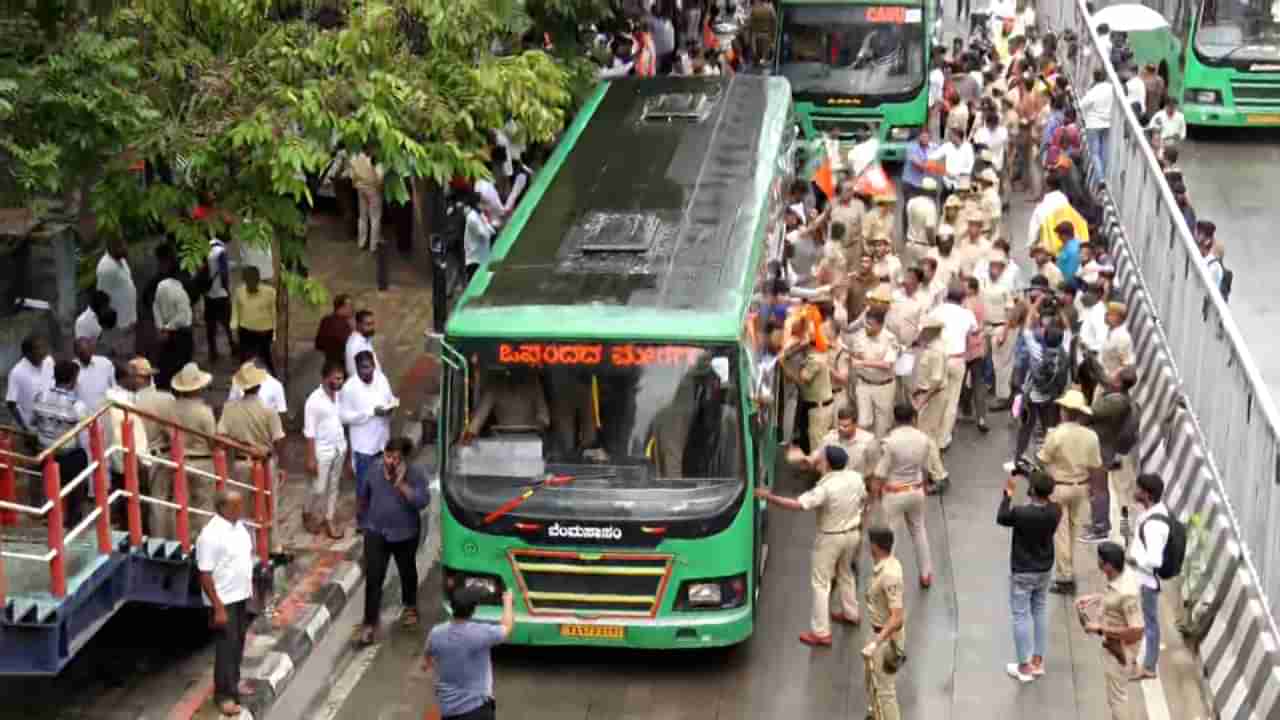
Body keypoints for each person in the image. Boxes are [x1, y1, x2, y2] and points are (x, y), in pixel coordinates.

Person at [756, 445, 868, 646]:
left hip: (830, 538)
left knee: (821, 583)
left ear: (828, 463)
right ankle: (851, 612)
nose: (819, 460)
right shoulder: (856, 478)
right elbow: (863, 500)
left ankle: (821, 632)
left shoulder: (825, 488)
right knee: (845, 573)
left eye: (822, 458)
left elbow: (798, 505)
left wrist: (768, 496)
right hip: (853, 534)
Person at [355, 437, 429, 645]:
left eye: (396, 458)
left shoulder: (416, 474)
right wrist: (363, 519)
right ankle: (370, 623)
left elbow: (421, 501)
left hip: (405, 533)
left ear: (405, 459)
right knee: (374, 578)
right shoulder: (374, 470)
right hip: (376, 532)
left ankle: (410, 605)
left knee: (406, 571)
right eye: (388, 456)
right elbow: (364, 496)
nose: (390, 462)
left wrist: (401, 484)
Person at [998, 465, 1062, 682]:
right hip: (1044, 569)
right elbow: (1044, 492)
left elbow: (1002, 517)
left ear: (1032, 491)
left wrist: (1007, 495)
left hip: (1023, 570)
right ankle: (1037, 661)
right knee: (1040, 611)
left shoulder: (1021, 513)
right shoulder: (1056, 511)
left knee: (1021, 615)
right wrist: (1028, 475)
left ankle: (1024, 667)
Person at [196, 489, 256, 718]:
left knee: (238, 642)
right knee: (225, 648)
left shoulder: (238, 526)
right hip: (224, 600)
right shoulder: (210, 535)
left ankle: (235, 682)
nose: (240, 510)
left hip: (240, 594)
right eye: (236, 506)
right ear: (223, 508)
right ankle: (224, 695)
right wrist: (218, 607)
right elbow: (205, 574)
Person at [874, 403, 947, 587]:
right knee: (919, 531)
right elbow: (926, 466)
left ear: (895, 419)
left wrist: (874, 494)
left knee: (891, 535)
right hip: (916, 490)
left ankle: (888, 577)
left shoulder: (890, 442)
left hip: (894, 492)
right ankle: (926, 573)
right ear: (913, 418)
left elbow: (880, 472)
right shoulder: (923, 439)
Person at [1040, 389, 1104, 595]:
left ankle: (1065, 576)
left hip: (1059, 487)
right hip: (1082, 487)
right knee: (1073, 529)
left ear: (1064, 411)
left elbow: (1043, 458)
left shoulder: (1055, 435)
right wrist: (1094, 491)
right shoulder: (1091, 436)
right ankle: (1069, 567)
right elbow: (1096, 467)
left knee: (1061, 533)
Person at [424, 585, 514, 720]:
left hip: (448, 710)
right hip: (476, 710)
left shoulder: (436, 632)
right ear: (473, 610)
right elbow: (506, 627)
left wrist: (428, 663)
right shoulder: (479, 633)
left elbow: (427, 654)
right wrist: (508, 601)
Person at [1078, 542, 1145, 720]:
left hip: (1119, 651)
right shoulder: (1122, 575)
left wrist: (1100, 628)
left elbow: (1136, 630)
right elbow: (1114, 600)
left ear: (1107, 565)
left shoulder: (1127, 593)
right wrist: (1097, 598)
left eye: (1099, 559)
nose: (1097, 561)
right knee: (1116, 696)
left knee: (1117, 699)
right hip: (1114, 646)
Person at [341, 350, 397, 524]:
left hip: (382, 442)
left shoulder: (381, 380)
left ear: (373, 365)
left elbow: (390, 399)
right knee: (363, 486)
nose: (367, 371)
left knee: (384, 484)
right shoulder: (349, 387)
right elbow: (344, 416)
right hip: (363, 446)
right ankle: (363, 521)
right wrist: (369, 413)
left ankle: (380, 517)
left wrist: (390, 407)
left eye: (369, 367)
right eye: (363, 368)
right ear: (356, 368)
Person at [31, 360, 90, 525]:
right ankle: (73, 520)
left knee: (52, 488)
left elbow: (32, 422)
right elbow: (85, 433)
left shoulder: (40, 397)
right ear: (73, 380)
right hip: (68, 456)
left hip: (45, 453)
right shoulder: (76, 405)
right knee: (80, 466)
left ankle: (52, 519)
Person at [863, 526, 907, 720]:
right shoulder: (887, 565)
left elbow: (897, 618)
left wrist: (876, 642)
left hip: (886, 639)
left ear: (875, 546)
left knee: (885, 690)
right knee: (871, 681)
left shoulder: (889, 574)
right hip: (877, 632)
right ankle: (876, 714)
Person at [1129, 473, 1169, 682]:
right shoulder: (1153, 512)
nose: (1135, 492)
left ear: (1147, 494)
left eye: (1139, 489)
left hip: (1146, 582)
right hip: (1142, 580)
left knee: (1148, 624)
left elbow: (1155, 560)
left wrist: (1136, 562)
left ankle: (1148, 666)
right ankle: (1141, 663)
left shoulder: (1155, 524)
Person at [304, 361, 348, 539]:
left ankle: (329, 519)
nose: (340, 382)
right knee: (319, 488)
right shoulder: (314, 401)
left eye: (342, 378)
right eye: (336, 378)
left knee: (334, 486)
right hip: (321, 450)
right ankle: (307, 511)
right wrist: (310, 458)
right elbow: (309, 431)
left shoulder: (340, 396)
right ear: (325, 378)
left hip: (339, 447)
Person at [842, 308, 899, 439]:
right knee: (863, 422)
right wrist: (853, 356)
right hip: (863, 384)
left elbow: (887, 364)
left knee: (881, 425)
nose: (867, 327)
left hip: (884, 386)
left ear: (880, 325)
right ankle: (864, 453)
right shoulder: (860, 336)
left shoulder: (890, 339)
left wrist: (863, 363)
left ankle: (879, 453)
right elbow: (855, 354)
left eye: (870, 324)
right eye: (866, 323)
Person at [933, 289, 978, 450]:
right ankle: (943, 439)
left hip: (938, 359)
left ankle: (933, 434)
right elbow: (975, 330)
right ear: (963, 298)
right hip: (957, 360)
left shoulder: (936, 310)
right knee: (952, 401)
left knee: (936, 399)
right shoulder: (966, 313)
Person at [153, 247, 195, 391]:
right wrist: (165, 327)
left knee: (166, 367)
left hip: (168, 333)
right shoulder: (180, 285)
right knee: (180, 368)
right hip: (180, 334)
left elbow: (155, 306)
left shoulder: (160, 284)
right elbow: (183, 315)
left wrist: (161, 328)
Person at [910, 314, 949, 453]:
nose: (920, 332)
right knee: (927, 434)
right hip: (928, 393)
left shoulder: (936, 351)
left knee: (927, 435)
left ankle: (938, 473)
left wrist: (923, 400)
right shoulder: (932, 346)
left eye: (923, 330)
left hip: (933, 396)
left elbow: (937, 381)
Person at [230, 265, 278, 376]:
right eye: (248, 281)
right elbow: (235, 312)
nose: (250, 283)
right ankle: (244, 381)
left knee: (266, 358)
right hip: (245, 331)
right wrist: (233, 328)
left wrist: (274, 334)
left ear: (258, 280)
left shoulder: (270, 292)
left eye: (253, 280)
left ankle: (273, 378)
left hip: (264, 332)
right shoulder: (239, 292)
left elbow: (273, 314)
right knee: (244, 360)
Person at [96, 238, 138, 358]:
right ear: (112, 246)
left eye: (125, 244)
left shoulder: (121, 260)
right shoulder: (106, 268)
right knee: (118, 360)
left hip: (128, 323)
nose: (125, 247)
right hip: (117, 326)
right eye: (121, 245)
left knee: (127, 357)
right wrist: (113, 327)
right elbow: (102, 298)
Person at [6, 335, 54, 437]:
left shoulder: (48, 362)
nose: (43, 351)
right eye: (38, 348)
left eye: (44, 347)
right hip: (27, 430)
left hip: (48, 427)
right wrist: (26, 428)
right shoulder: (17, 372)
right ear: (27, 353)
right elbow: (11, 403)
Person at [204, 237, 234, 362]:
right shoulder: (221, 250)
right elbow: (223, 273)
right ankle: (233, 346)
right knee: (227, 323)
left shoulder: (203, 249)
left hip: (208, 295)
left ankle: (213, 352)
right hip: (221, 294)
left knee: (210, 325)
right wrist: (227, 290)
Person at [349, 148, 386, 251]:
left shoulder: (356, 157)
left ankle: (361, 242)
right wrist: (379, 189)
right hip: (373, 189)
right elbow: (380, 177)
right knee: (375, 217)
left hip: (360, 188)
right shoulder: (375, 159)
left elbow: (352, 175)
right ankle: (373, 245)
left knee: (362, 217)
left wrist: (356, 185)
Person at [72, 335, 115, 411]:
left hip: (104, 414)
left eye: (87, 351)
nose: (85, 355)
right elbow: (71, 394)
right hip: (83, 418)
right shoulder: (72, 367)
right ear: (76, 353)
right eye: (81, 352)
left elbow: (115, 387)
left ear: (92, 350)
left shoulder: (105, 363)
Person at [315, 293, 354, 369]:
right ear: (342, 307)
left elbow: (318, 345)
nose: (352, 309)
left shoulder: (327, 320)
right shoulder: (332, 322)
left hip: (332, 364)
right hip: (339, 366)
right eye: (350, 306)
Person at [345, 309, 381, 379]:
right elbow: (354, 371)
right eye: (368, 324)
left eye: (372, 324)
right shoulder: (355, 344)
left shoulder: (364, 339)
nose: (372, 327)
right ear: (358, 325)